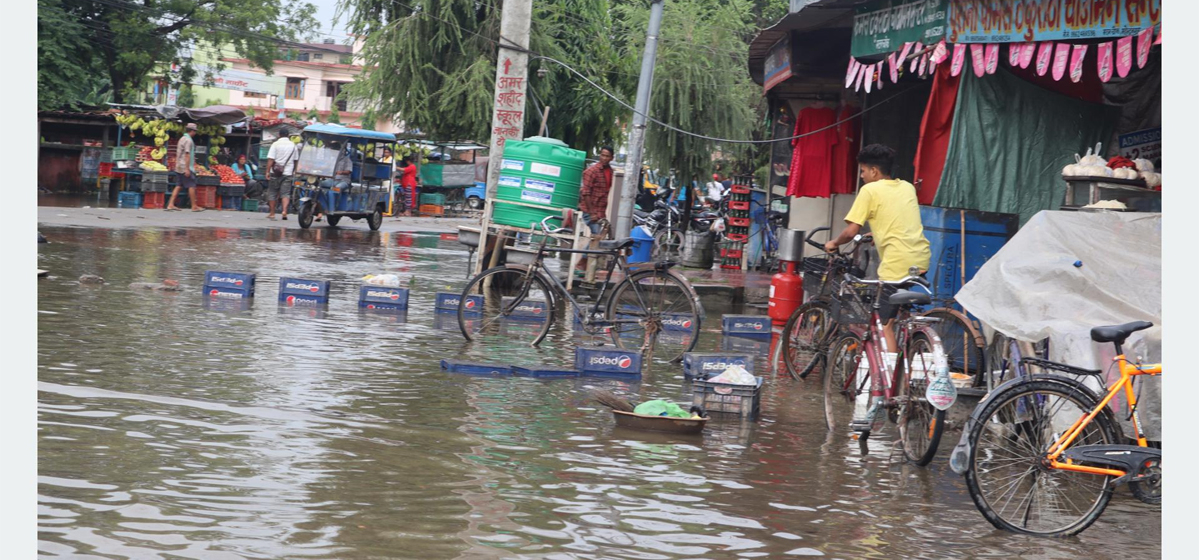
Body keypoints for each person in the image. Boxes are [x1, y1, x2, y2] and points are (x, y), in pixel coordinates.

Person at [824, 144, 931, 355]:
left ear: (874, 171)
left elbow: (851, 230)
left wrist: (833, 243)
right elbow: (898, 217)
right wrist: (877, 233)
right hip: (920, 258)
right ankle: (908, 353)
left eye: (863, 171)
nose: (862, 176)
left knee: (885, 325)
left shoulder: (870, 190)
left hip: (896, 264)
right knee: (899, 312)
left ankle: (890, 378)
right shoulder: (907, 187)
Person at [576, 145, 615, 274]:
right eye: (602, 155)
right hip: (590, 211)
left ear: (611, 158)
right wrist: (592, 212)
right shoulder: (591, 171)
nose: (604, 158)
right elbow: (585, 192)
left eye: (607, 156)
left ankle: (587, 267)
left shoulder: (610, 172)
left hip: (600, 211)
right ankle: (582, 264)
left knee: (599, 238)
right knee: (597, 238)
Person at [265, 130, 300, 221]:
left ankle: (272, 213)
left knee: (272, 192)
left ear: (279, 135)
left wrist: (267, 171)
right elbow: (296, 160)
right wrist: (294, 171)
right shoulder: (293, 146)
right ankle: (284, 211)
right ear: (288, 135)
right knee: (285, 193)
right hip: (288, 173)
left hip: (275, 172)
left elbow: (270, 159)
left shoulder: (275, 144)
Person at [167, 123, 201, 212]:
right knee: (191, 185)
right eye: (195, 131)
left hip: (178, 166)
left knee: (179, 185)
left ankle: (170, 204)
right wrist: (187, 168)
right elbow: (187, 154)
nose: (195, 133)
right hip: (184, 166)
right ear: (192, 131)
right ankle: (194, 206)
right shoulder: (188, 141)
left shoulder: (182, 139)